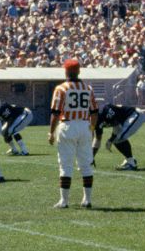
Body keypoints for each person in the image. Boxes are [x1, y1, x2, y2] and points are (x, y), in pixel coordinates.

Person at [48, 58, 97, 209]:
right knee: (86, 164)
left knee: (65, 164)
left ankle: (64, 201)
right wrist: (92, 128)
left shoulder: (61, 88)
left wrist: (51, 132)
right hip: (84, 125)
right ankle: (87, 200)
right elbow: (94, 111)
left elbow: (55, 113)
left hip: (67, 125)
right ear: (79, 71)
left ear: (66, 71)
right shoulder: (87, 88)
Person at [92, 103, 145, 170]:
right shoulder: (94, 120)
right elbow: (97, 138)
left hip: (135, 115)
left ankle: (131, 164)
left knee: (117, 138)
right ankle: (130, 160)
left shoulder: (105, 109)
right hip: (127, 119)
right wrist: (91, 157)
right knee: (118, 138)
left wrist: (110, 140)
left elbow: (117, 126)